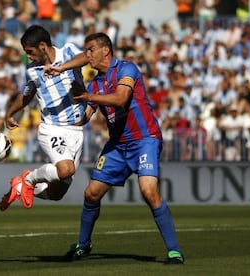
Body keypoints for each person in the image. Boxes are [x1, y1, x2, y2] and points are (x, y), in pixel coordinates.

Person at [58, 32, 184, 264]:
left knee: (148, 191)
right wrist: (63, 122)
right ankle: (83, 245)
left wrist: (89, 95)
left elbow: (121, 99)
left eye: (90, 50)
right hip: (117, 145)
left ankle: (174, 251)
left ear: (105, 50)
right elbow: (86, 116)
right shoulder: (95, 83)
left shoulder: (127, 69)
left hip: (144, 139)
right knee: (91, 193)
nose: (87, 55)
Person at [0, 25, 89, 211]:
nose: (28, 57)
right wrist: (10, 113)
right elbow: (27, 94)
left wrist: (61, 68)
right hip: (52, 128)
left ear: (42, 46)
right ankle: (28, 179)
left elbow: (86, 57)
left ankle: (19, 186)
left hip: (77, 131)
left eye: (30, 52)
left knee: (56, 193)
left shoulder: (68, 51)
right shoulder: (32, 70)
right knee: (66, 170)